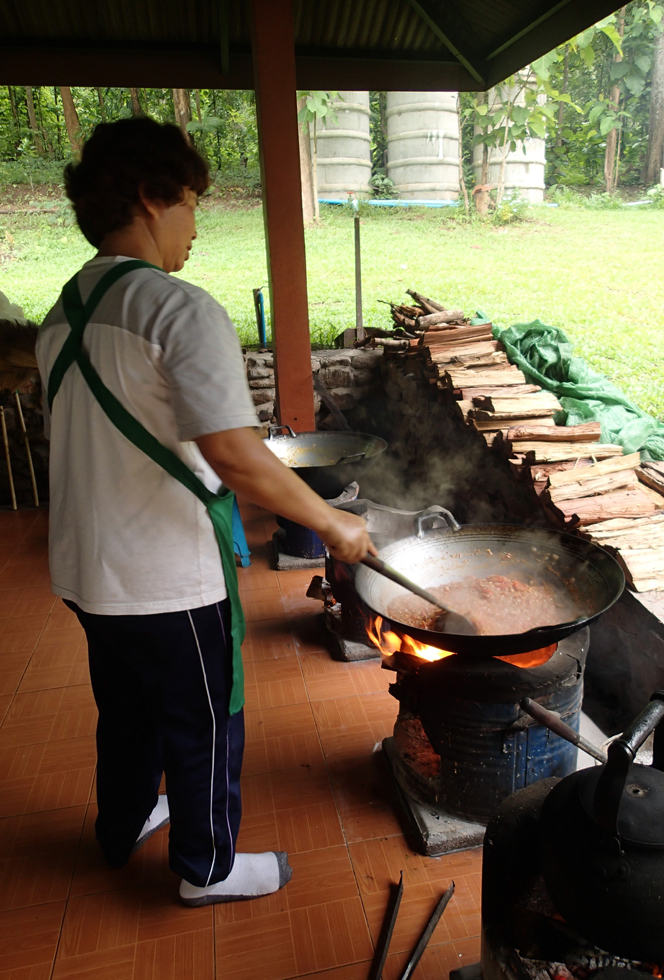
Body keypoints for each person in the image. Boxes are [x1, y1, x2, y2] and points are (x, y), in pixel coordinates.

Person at [35, 117, 375, 907]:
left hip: (86, 570)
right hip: (166, 577)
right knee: (204, 722)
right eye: (191, 203)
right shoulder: (177, 308)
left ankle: (122, 824)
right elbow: (236, 454)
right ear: (153, 201)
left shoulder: (66, 311)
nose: (195, 227)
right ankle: (207, 866)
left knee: (126, 710)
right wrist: (334, 524)